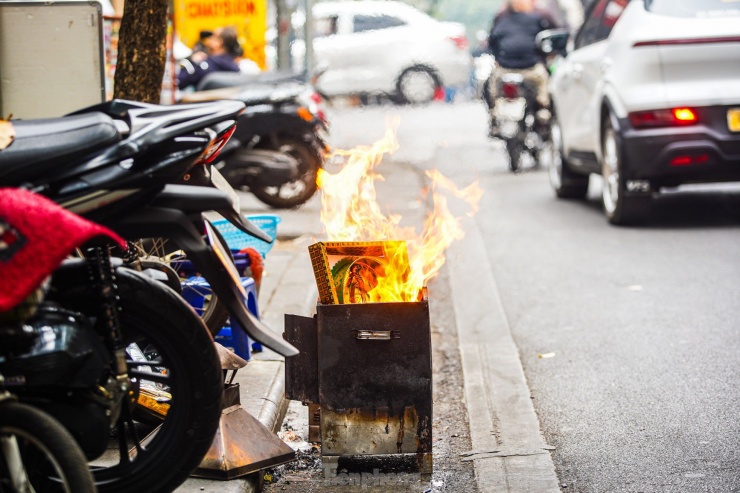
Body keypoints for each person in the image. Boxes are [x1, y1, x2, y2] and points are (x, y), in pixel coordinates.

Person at [486, 0, 557, 135]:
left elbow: (491, 42)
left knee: (492, 89)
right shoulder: (539, 17)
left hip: (505, 69)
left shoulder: (501, 18)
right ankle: (544, 111)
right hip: (530, 69)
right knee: (544, 94)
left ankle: (493, 118)